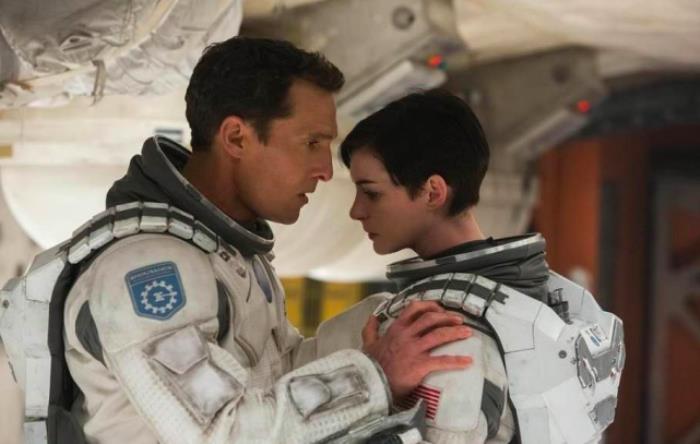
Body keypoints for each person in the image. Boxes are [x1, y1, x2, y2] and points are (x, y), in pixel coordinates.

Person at [1, 38, 477, 444]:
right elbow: (220, 431)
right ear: (236, 138)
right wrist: (373, 375)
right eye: (312, 143)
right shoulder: (145, 270)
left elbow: (279, 377)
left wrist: (393, 317)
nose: (324, 169)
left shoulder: (228, 257)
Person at [339, 90, 625, 444]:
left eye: (371, 193)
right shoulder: (551, 300)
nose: (356, 210)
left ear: (433, 192)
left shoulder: (440, 331)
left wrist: (370, 379)